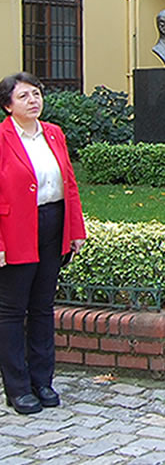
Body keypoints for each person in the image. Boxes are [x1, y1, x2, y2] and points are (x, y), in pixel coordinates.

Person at [0, 72, 86, 413]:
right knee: (11, 310)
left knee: (41, 306)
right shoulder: (3, 138)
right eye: (24, 96)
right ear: (8, 105)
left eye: (36, 94)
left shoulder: (54, 134)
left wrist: (75, 229)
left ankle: (42, 380)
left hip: (52, 224)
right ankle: (17, 387)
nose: (33, 101)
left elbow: (70, 183)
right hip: (15, 228)